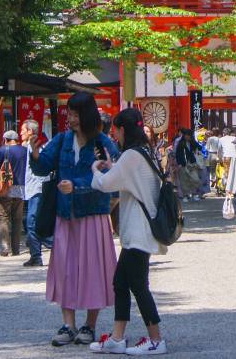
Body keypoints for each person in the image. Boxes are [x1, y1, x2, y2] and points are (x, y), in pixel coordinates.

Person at [29, 91, 120, 347]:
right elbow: (43, 166)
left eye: (76, 113)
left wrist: (77, 186)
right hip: (64, 214)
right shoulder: (61, 140)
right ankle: (68, 324)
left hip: (93, 214)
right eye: (69, 113)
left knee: (93, 270)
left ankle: (89, 325)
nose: (70, 118)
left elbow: (110, 179)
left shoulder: (103, 143)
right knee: (64, 269)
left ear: (87, 115)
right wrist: (35, 155)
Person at [89, 108, 168, 356]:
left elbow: (105, 184)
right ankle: (117, 337)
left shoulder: (131, 156)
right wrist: (114, 166)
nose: (115, 136)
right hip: (143, 229)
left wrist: (95, 169)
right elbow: (129, 178)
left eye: (115, 131)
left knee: (137, 284)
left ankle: (156, 339)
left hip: (138, 231)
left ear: (122, 130)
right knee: (121, 282)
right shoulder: (145, 152)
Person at [0, 130, 28, 257]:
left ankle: (5, 247)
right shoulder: (24, 150)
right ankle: (16, 249)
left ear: (5, 139)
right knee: (17, 219)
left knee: (3, 217)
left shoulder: (3, 150)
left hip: (5, 187)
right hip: (21, 188)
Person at [22, 119, 52, 267]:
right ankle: (36, 254)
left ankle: (47, 247)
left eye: (23, 130)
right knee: (31, 222)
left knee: (32, 222)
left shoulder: (36, 147)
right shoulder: (31, 146)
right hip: (33, 189)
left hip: (37, 189)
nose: (21, 133)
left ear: (29, 131)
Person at [173, 128, 202, 201]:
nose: (188, 137)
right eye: (187, 135)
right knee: (184, 180)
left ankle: (194, 194)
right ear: (184, 135)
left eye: (189, 135)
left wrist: (194, 143)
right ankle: (185, 195)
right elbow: (177, 154)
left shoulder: (192, 142)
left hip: (192, 163)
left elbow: (199, 147)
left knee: (195, 179)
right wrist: (179, 163)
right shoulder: (180, 143)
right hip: (182, 163)